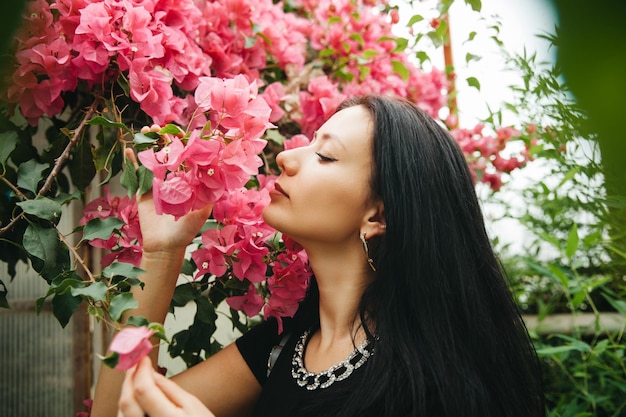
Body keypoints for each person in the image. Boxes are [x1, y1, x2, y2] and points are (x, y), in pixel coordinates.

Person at [91, 95, 546, 417]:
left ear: (378, 215)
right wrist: (163, 252)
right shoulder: (280, 347)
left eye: (325, 156)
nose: (288, 157)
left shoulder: (431, 388)